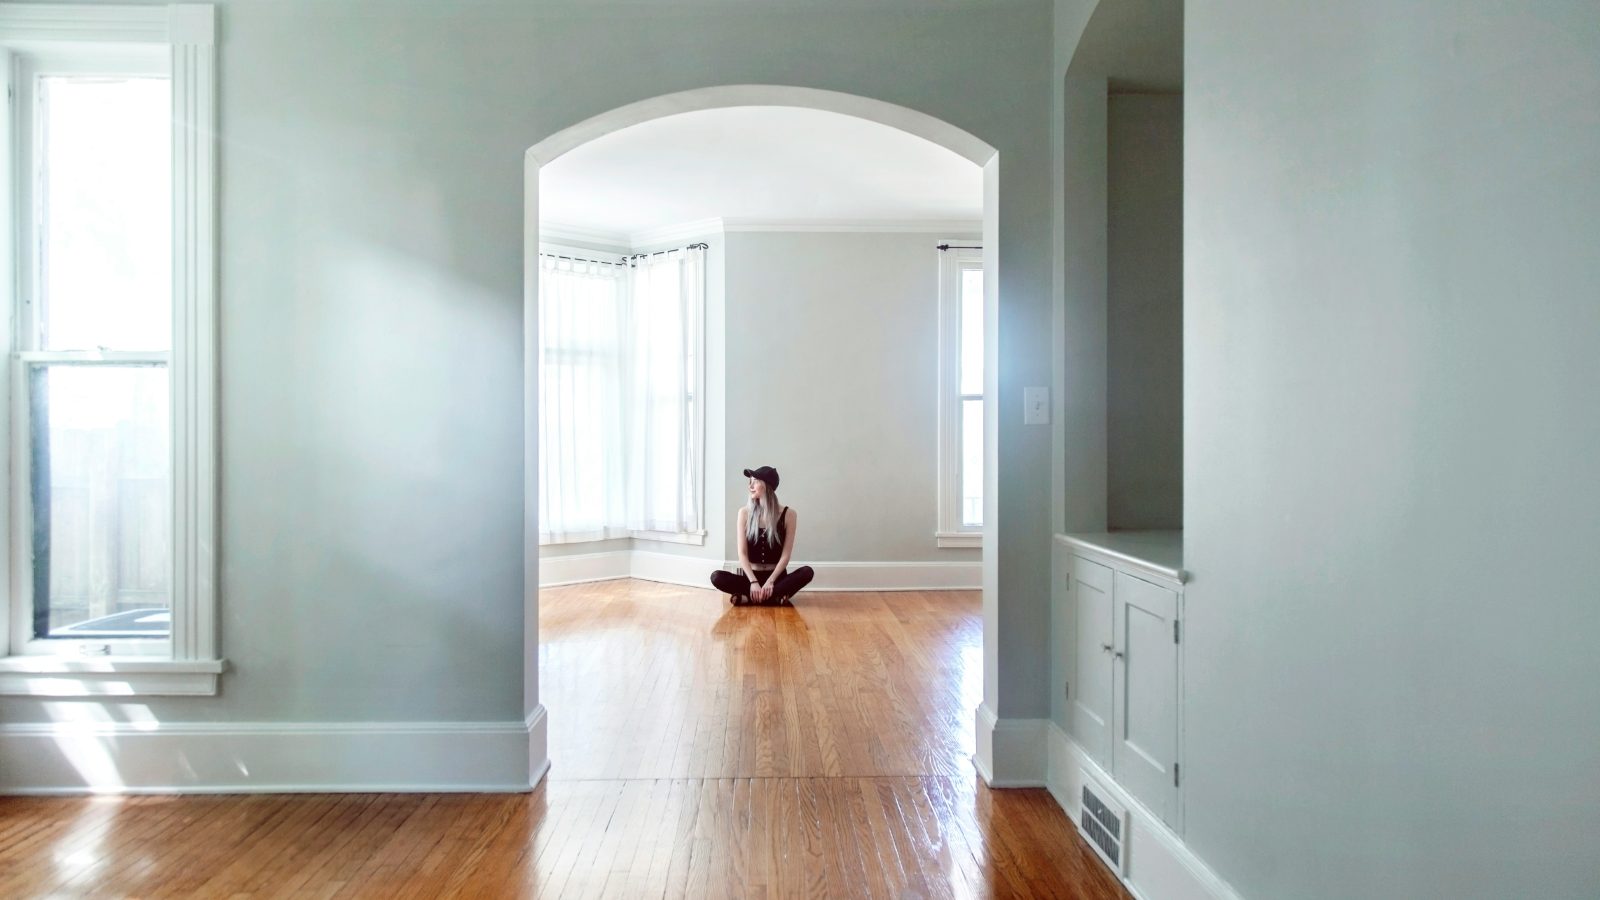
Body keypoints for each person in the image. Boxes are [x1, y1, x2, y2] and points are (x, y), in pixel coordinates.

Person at [709, 466, 815, 606]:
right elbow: (742, 553)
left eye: (755, 481)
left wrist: (770, 582)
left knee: (807, 572)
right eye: (750, 482)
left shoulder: (789, 515)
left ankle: (750, 598)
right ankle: (774, 597)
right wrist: (753, 582)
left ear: (767, 485)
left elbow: (785, 555)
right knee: (716, 577)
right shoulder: (744, 513)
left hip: (776, 579)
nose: (750, 486)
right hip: (750, 578)